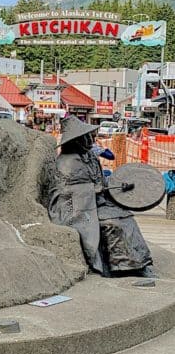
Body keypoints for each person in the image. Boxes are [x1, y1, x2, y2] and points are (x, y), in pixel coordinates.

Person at [48, 115, 154, 277]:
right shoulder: (66, 162)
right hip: (75, 207)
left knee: (125, 215)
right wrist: (98, 188)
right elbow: (70, 191)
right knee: (112, 223)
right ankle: (120, 267)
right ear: (77, 140)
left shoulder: (90, 156)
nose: (90, 140)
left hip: (95, 201)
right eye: (86, 137)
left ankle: (138, 262)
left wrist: (113, 184)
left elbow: (100, 181)